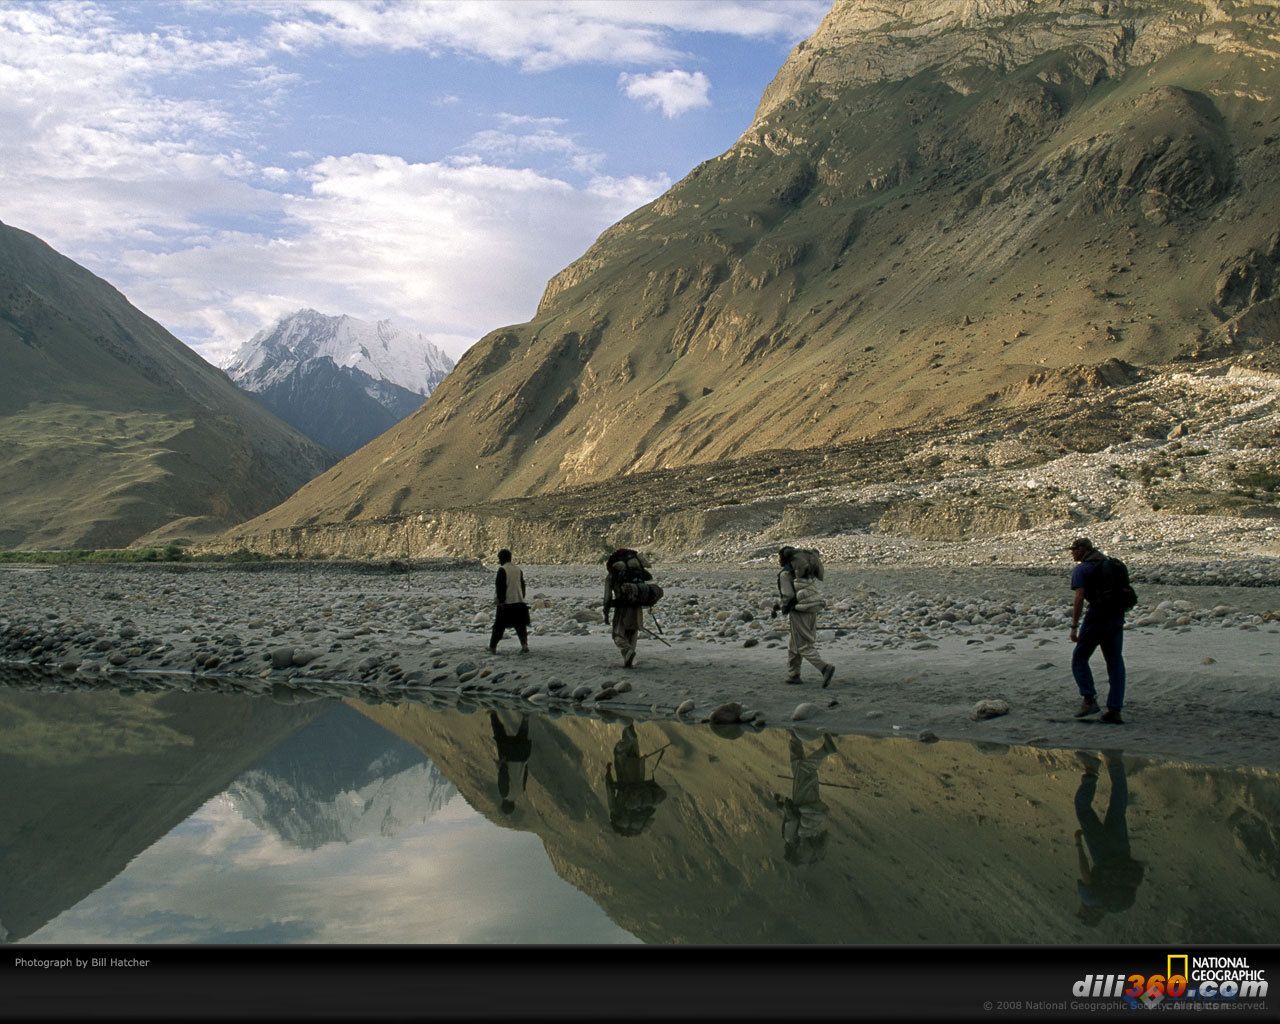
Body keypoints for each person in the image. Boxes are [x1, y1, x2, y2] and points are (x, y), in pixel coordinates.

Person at [1074, 751, 1144, 925]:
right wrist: (1078, 844)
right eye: (1082, 912)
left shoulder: (1118, 905)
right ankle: (1091, 769)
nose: (1080, 909)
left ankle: (1115, 763)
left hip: (1122, 852)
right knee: (1082, 808)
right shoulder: (1090, 899)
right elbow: (1085, 873)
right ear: (1087, 913)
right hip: (1102, 853)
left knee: (1118, 807)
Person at [1069, 537, 1126, 724]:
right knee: (1115, 662)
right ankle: (1115, 710)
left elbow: (1079, 598)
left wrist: (1074, 626)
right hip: (1116, 616)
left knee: (1080, 657)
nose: (1071, 552)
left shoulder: (1082, 569)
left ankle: (1089, 699)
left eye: (1074, 549)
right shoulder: (1110, 564)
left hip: (1097, 616)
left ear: (1083, 550)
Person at [774, 546, 835, 687]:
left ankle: (824, 668)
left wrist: (781, 607)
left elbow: (788, 596)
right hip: (812, 609)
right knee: (794, 643)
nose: (779, 560)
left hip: (799, 612)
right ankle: (793, 674)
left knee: (802, 645)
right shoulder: (805, 573)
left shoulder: (785, 575)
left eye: (780, 557)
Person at [776, 730, 838, 865]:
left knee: (796, 766)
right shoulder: (790, 839)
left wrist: (782, 807)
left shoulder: (809, 850)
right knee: (804, 769)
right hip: (803, 805)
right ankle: (827, 749)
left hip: (814, 810)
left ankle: (795, 737)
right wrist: (785, 806)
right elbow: (792, 819)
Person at [603, 722, 668, 836]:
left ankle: (630, 731)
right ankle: (628, 729)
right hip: (625, 777)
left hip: (639, 776)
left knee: (633, 753)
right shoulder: (615, 812)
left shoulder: (635, 820)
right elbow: (610, 790)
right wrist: (608, 772)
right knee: (619, 753)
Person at [603, 555, 644, 667]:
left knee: (617, 635)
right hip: (637, 609)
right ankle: (628, 661)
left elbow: (607, 597)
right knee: (632, 634)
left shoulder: (612, 576)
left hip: (622, 609)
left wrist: (606, 614)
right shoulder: (637, 574)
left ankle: (628, 651)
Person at [489, 548, 530, 655]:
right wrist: (522, 597)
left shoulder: (502, 570)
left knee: (499, 627)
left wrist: (500, 601)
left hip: (507, 603)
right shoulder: (518, 569)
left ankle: (492, 647)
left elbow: (500, 587)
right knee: (520, 626)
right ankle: (524, 645)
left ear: (501, 559)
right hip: (519, 602)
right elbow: (522, 585)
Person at [490, 711, 531, 815]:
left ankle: (526, 717)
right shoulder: (504, 794)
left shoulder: (521, 792)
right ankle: (493, 713)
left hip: (522, 756)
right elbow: (503, 777)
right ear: (503, 804)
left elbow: (525, 774)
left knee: (522, 735)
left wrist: (524, 762)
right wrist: (502, 764)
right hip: (509, 757)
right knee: (500, 736)